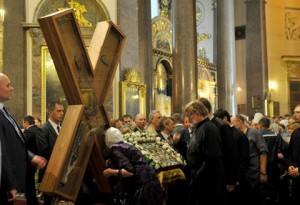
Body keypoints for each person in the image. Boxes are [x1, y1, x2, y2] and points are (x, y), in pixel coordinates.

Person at [0, 73, 46, 205]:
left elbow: (15, 143)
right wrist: (9, 183)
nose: (12, 88)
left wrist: (32, 157)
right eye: (8, 85)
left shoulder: (4, 111)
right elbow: (2, 152)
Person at [103, 127, 164, 205]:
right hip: (152, 182)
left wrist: (110, 172)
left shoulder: (115, 149)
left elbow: (128, 172)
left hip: (143, 187)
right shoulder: (126, 145)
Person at [184, 100, 225, 205]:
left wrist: (197, 176)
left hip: (207, 181)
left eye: (189, 115)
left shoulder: (209, 128)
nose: (187, 118)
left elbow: (211, 157)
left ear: (197, 114)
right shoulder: (201, 127)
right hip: (200, 179)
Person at [198, 98, 238, 195]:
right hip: (206, 174)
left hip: (219, 175)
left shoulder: (221, 126)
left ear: (206, 110)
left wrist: (230, 180)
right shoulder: (201, 126)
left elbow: (230, 153)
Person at [231, 114, 268, 205]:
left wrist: (263, 173)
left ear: (239, 122)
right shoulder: (234, 135)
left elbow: (263, 153)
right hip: (241, 174)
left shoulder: (255, 133)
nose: (231, 126)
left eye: (233, 123)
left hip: (253, 173)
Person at [36, 101, 64, 205]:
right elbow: (44, 151)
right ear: (50, 112)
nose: (61, 113)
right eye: (58, 111)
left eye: (62, 110)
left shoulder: (63, 128)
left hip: (61, 173)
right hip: (49, 173)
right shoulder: (43, 129)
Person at [23, 115, 41, 205]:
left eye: (23, 123)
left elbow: (22, 142)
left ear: (26, 123)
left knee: (28, 185)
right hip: (36, 161)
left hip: (29, 163)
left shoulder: (29, 132)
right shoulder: (38, 130)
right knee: (31, 184)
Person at [287, 104, 300, 204]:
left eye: (298, 112)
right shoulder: (296, 132)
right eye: (294, 112)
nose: (295, 115)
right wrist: (290, 165)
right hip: (295, 174)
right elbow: (290, 152)